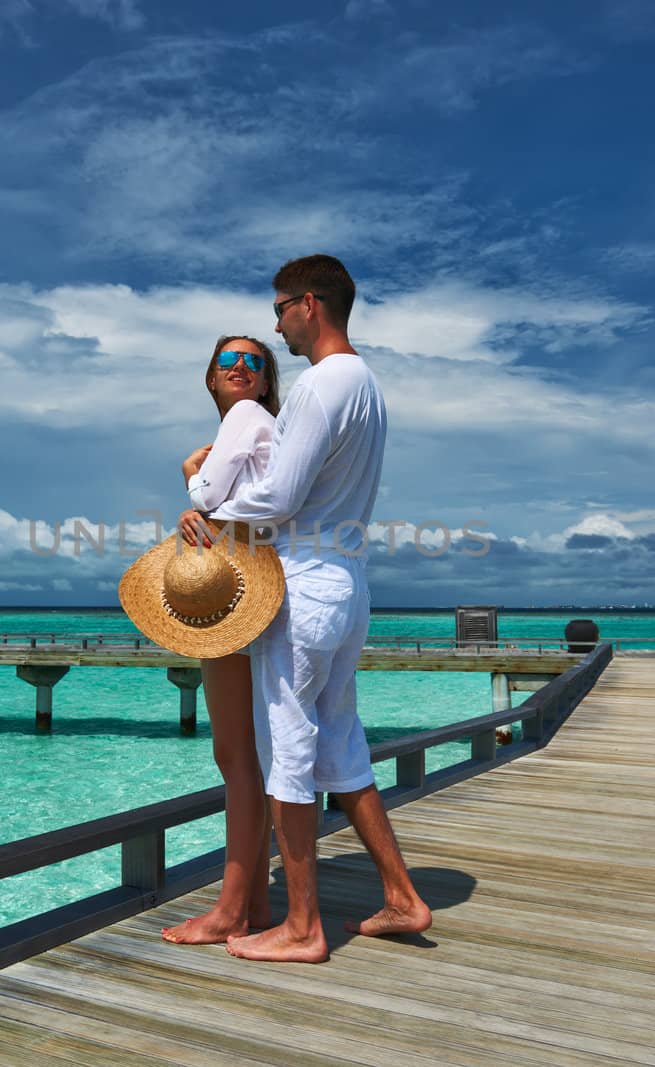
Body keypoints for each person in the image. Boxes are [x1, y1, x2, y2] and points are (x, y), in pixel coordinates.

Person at [180, 255, 432, 963]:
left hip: (307, 584)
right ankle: (403, 896)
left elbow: (281, 497)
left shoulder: (323, 385)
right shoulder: (368, 385)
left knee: (285, 747)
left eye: (281, 308)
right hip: (349, 581)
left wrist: (210, 513)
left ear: (310, 305)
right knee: (340, 743)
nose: (276, 322)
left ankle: (301, 927)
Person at [161, 335, 281, 945]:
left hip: (238, 597)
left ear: (264, 380)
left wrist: (191, 481)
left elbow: (211, 500)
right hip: (254, 585)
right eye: (228, 361)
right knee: (252, 760)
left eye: (252, 361)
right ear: (209, 377)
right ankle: (254, 900)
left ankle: (231, 910)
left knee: (235, 758)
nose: (239, 367)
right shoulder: (259, 426)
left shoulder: (243, 417)